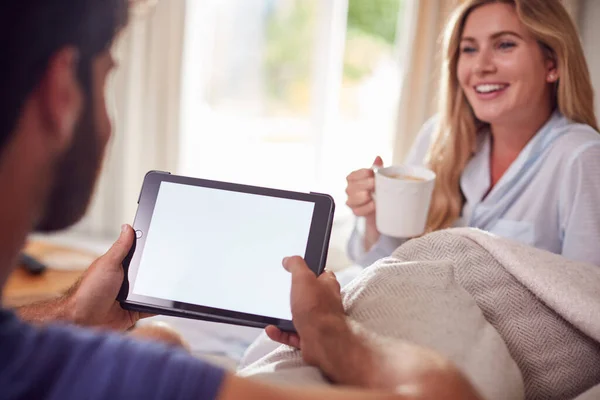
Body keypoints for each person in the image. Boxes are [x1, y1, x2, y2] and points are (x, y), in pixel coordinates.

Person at [0, 0, 482, 399]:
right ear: (61, 92)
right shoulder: (137, 374)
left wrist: (71, 314)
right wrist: (332, 336)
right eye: (107, 79)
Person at [346, 0, 600, 268]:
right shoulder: (438, 137)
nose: (480, 66)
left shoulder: (582, 157)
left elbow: (586, 298)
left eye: (504, 45)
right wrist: (375, 216)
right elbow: (390, 264)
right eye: (469, 49)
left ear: (553, 64)